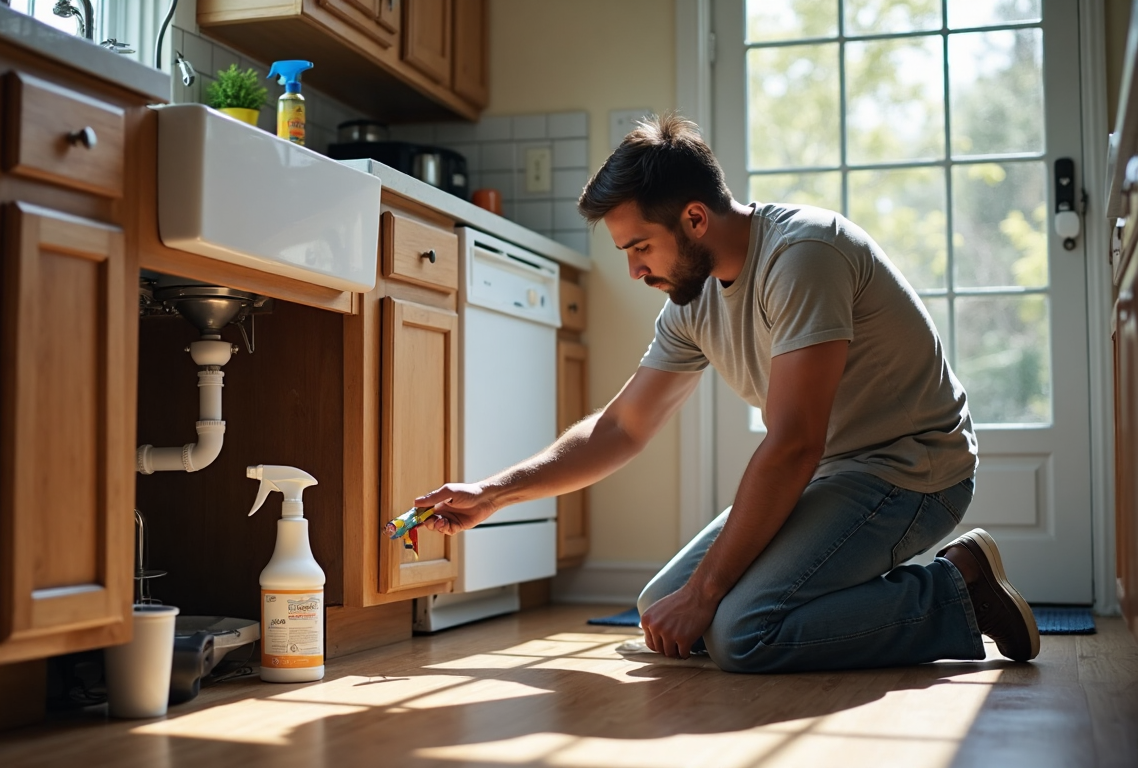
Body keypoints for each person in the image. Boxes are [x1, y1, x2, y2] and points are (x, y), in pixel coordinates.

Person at [414, 113, 1039, 673]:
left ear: (693, 218)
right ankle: (829, 595)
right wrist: (495, 492)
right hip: (832, 473)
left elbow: (794, 443)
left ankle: (957, 587)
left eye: (639, 247)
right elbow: (622, 428)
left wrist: (709, 592)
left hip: (912, 472)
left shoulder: (804, 255)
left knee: (743, 632)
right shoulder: (693, 299)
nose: (633, 271)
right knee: (662, 607)